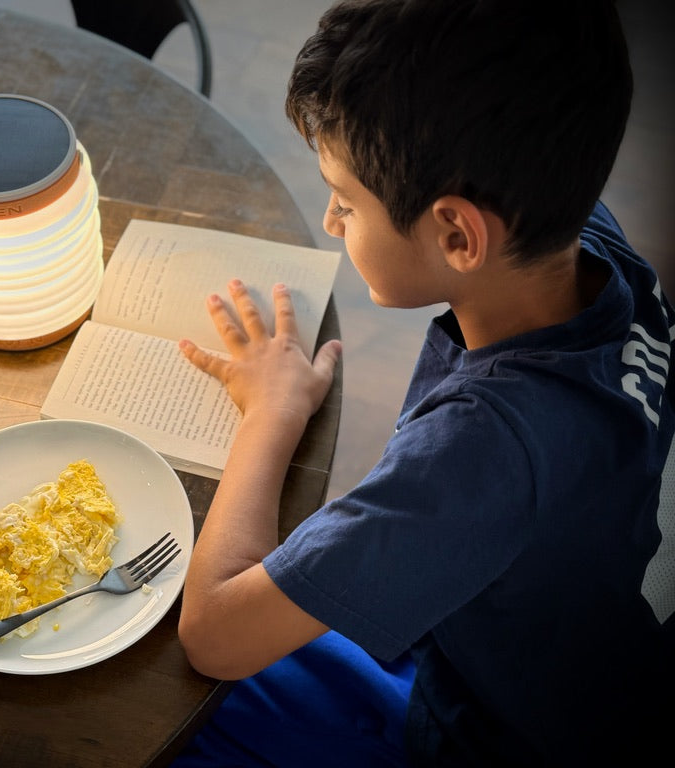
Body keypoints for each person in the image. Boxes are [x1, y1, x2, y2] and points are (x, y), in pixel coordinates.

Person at [171, 0, 675, 765]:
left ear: (457, 235)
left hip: (483, 730)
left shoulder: (481, 454)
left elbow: (213, 634)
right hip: (581, 668)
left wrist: (270, 413)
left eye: (346, 199)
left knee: (175, 701)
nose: (333, 221)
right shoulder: (598, 248)